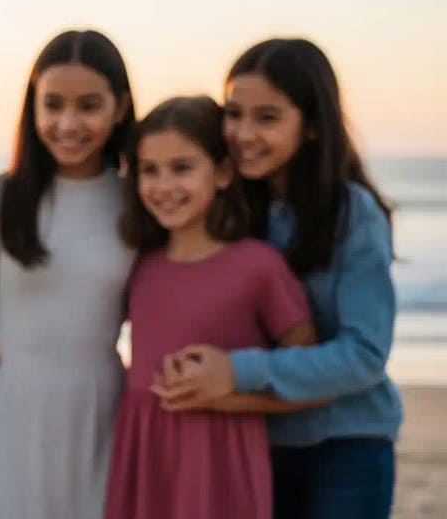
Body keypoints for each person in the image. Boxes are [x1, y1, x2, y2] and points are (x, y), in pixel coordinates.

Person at [151, 39, 401, 519]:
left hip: (347, 446)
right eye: (234, 113)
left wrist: (238, 371)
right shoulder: (227, 211)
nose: (243, 133)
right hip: (253, 440)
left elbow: (365, 355)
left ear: (310, 125)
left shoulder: (353, 213)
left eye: (267, 118)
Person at [0, 29, 137, 519]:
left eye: (88, 105)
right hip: (12, 413)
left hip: (104, 412)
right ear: (33, 107)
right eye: (53, 105)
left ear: (121, 107)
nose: (67, 123)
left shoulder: (141, 205)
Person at [104, 96, 324, 519]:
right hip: (145, 459)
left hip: (222, 459)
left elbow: (308, 374)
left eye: (182, 168)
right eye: (150, 170)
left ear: (223, 172)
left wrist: (231, 399)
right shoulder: (139, 264)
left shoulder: (258, 265)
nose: (164, 186)